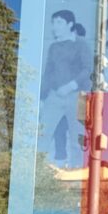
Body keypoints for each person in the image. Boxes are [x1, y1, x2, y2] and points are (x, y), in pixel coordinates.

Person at [39, 9, 91, 169]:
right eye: (54, 23)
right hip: (55, 97)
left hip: (79, 97)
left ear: (70, 24)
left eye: (59, 22)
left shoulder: (81, 44)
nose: (55, 26)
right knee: (42, 134)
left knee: (78, 137)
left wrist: (70, 86)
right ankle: (36, 171)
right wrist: (42, 97)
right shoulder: (53, 47)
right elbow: (48, 72)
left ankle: (77, 170)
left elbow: (87, 69)